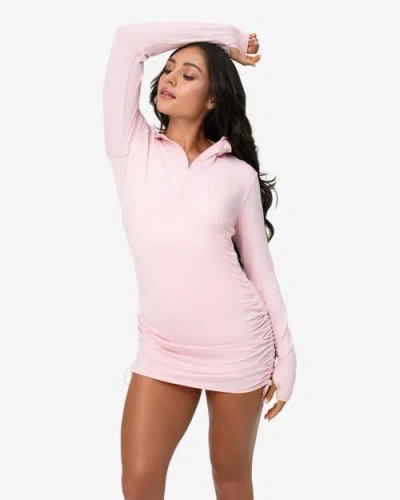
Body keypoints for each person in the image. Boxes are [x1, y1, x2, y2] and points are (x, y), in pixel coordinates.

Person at [103, 20, 297, 500]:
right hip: (163, 347)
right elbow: (129, 40)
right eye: (169, 68)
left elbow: (260, 272)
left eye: (188, 75)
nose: (170, 78)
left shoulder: (237, 175)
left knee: (230, 479)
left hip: (239, 347)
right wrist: (227, 37)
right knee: (139, 482)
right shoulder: (131, 148)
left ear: (212, 99)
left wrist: (287, 356)